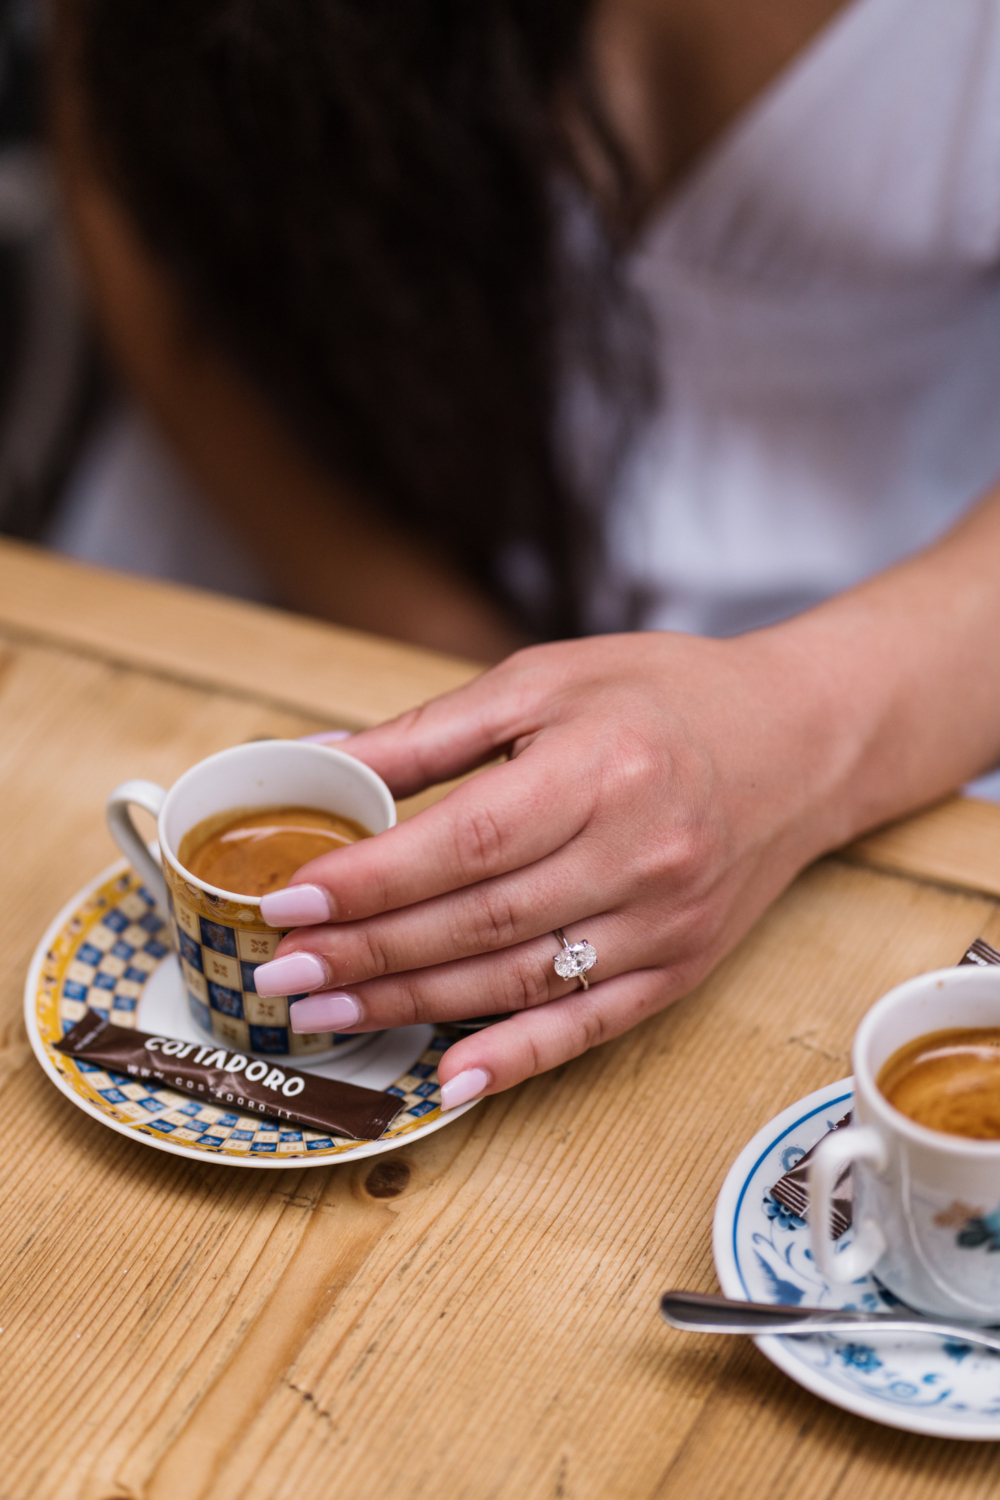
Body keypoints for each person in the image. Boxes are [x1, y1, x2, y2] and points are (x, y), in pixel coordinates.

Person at [53, 0, 1000, 1109]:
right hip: (268, 525)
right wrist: (437, 640)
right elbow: (122, 139)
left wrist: (811, 732)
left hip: (905, 643)